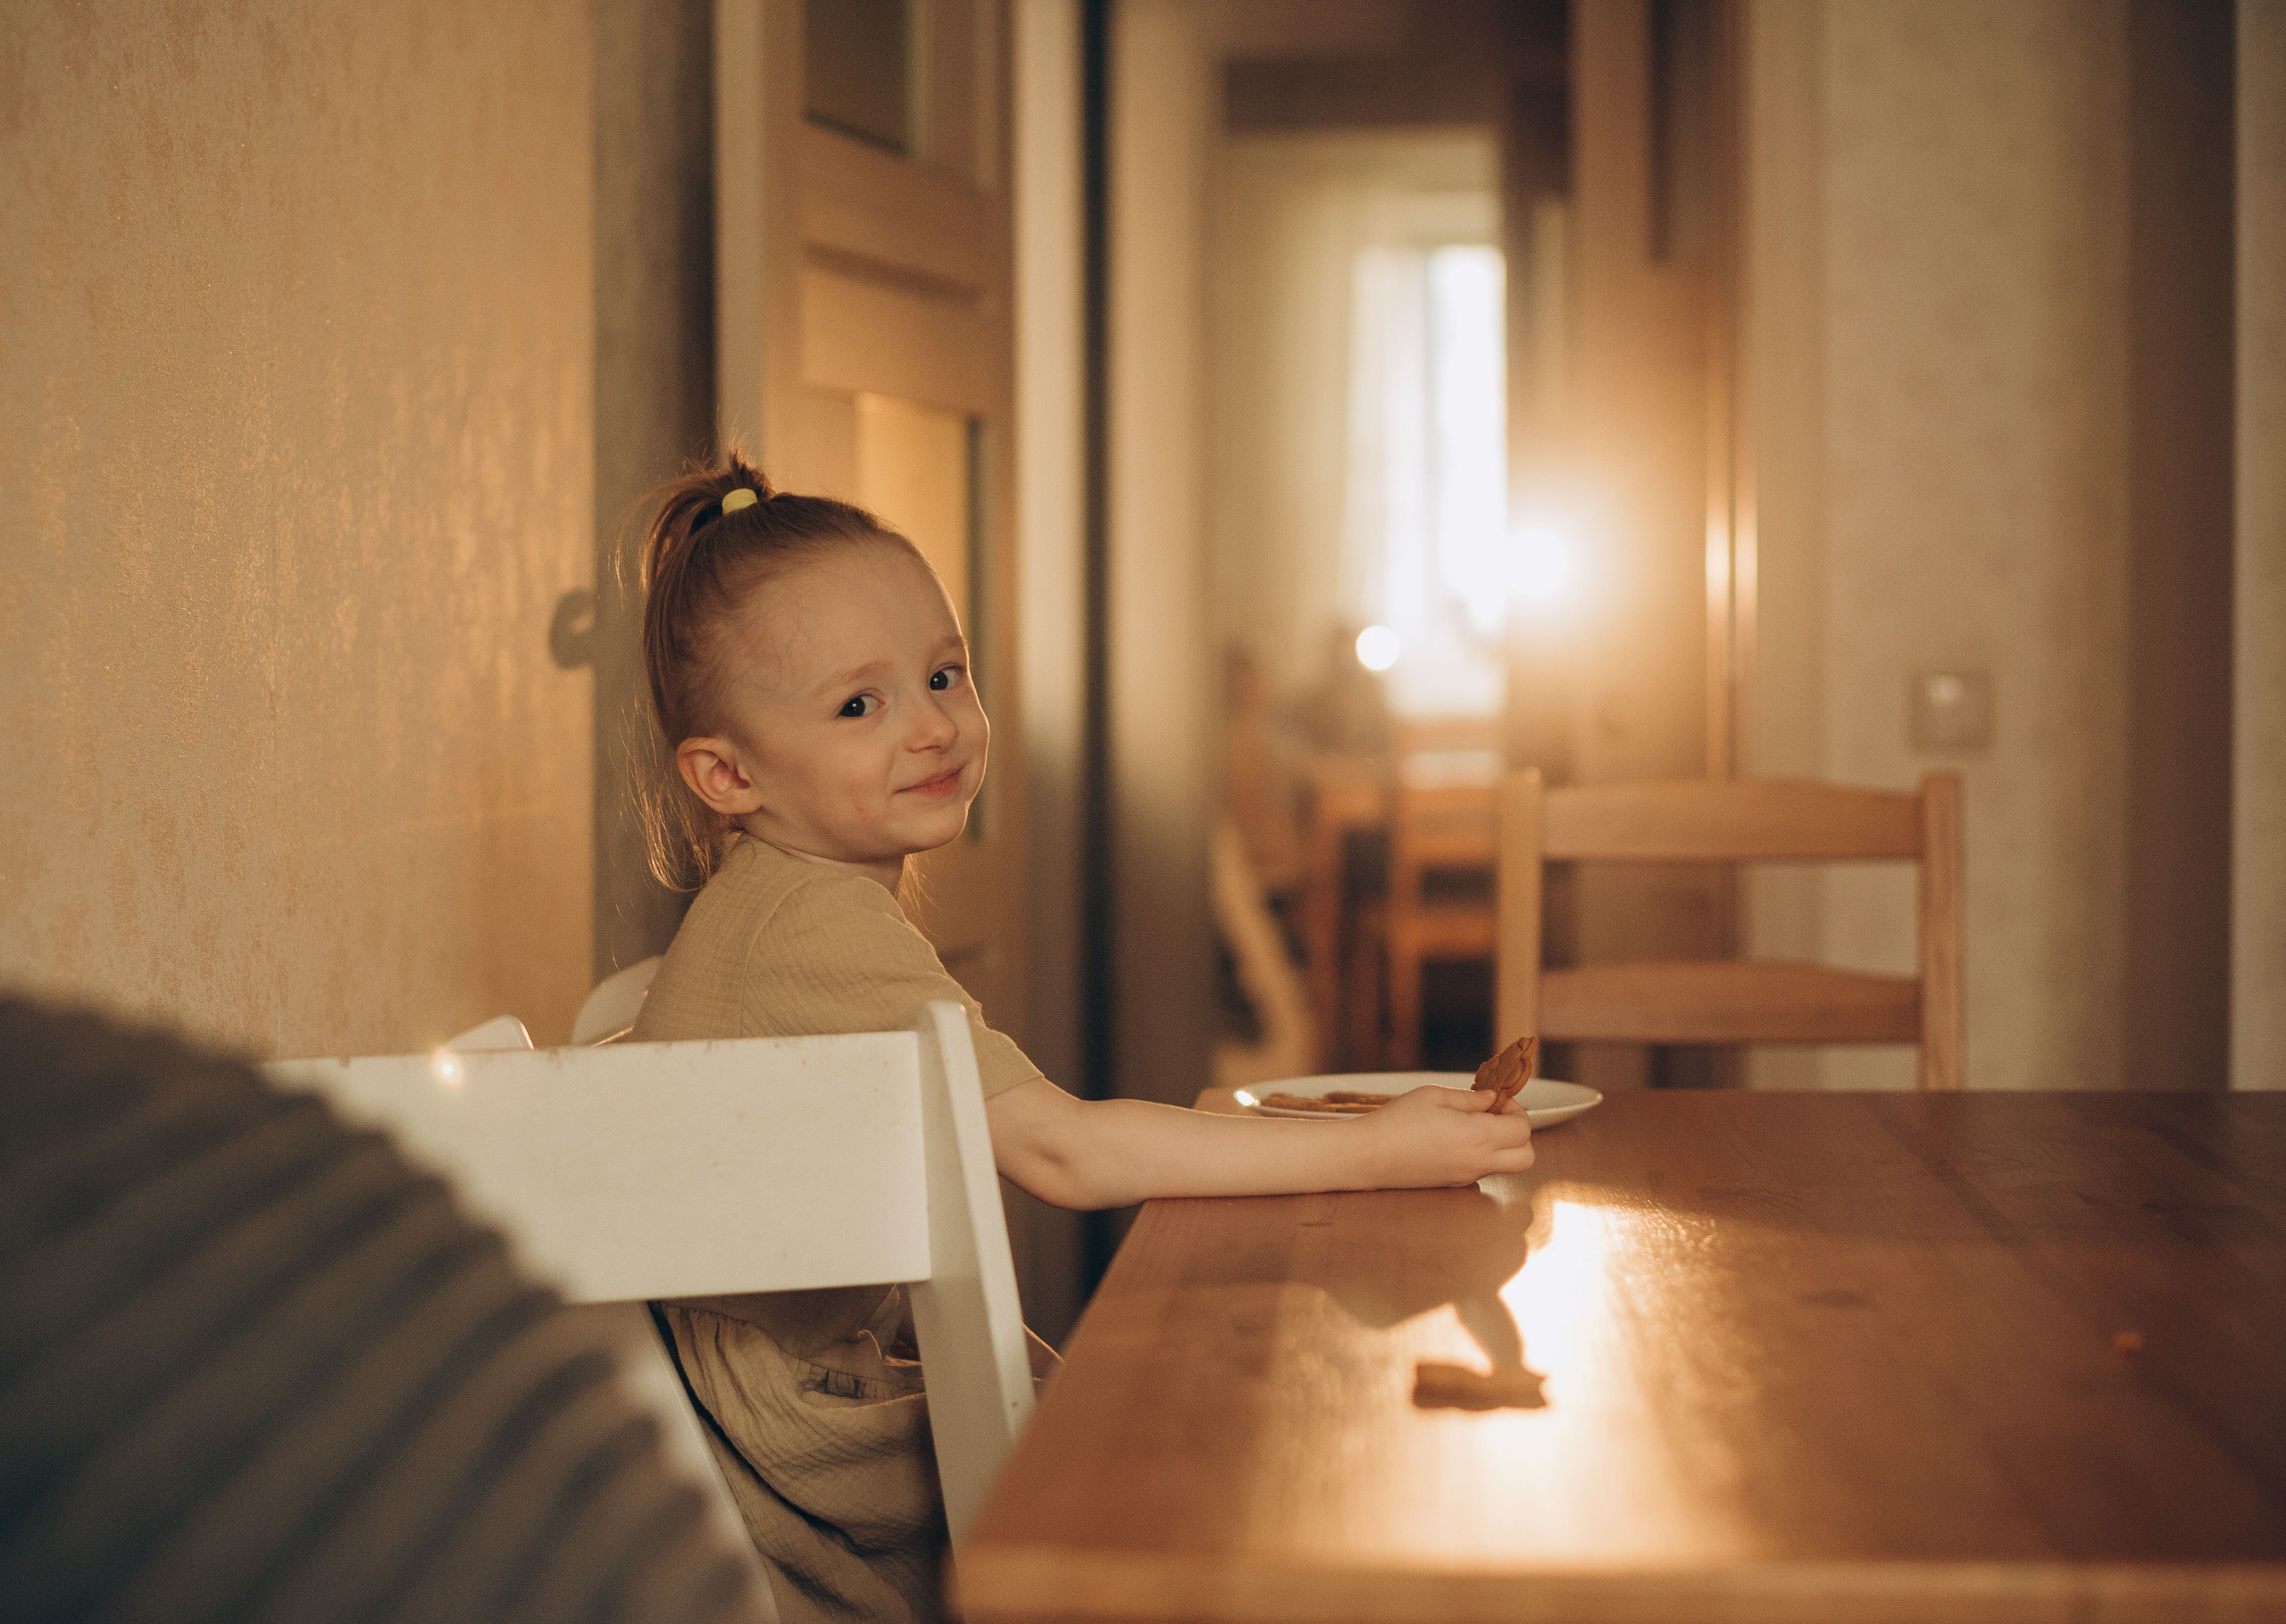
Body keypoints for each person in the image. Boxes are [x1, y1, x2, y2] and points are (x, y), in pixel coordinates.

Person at [625, 455, 1534, 1623]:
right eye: (862, 704)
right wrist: (1378, 1149)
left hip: (803, 1376)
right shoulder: (805, 921)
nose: (933, 725)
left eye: (944, 673)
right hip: (787, 1432)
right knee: (1195, 1460)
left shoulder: (802, 898)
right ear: (729, 775)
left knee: (1187, 1401)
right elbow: (1066, 1156)